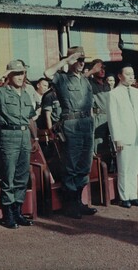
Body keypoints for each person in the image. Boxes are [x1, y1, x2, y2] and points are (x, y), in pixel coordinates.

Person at [0, 60, 38, 229]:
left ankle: (18, 211)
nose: (20, 77)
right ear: (9, 75)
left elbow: (30, 118)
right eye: (16, 73)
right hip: (8, 135)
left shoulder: (27, 93)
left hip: (24, 135)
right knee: (9, 176)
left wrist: (34, 138)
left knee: (22, 176)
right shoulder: (1, 92)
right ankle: (8, 214)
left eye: (22, 73)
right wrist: (3, 74)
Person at [44, 46, 97, 219]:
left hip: (87, 124)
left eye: (83, 60)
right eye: (78, 60)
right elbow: (47, 73)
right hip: (71, 123)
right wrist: (66, 60)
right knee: (71, 165)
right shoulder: (62, 79)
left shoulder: (85, 80)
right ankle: (70, 205)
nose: (81, 63)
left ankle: (79, 202)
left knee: (84, 165)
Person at [107, 65, 138, 208]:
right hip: (123, 136)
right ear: (119, 76)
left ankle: (133, 195)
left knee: (134, 168)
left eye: (133, 74)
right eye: (128, 74)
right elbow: (113, 118)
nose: (132, 76)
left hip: (136, 135)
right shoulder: (114, 94)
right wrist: (117, 138)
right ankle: (124, 197)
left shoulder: (137, 93)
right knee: (124, 167)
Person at [86, 59, 111, 157]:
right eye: (99, 68)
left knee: (109, 143)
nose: (102, 71)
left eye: (103, 68)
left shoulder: (106, 85)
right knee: (99, 144)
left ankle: (109, 168)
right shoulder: (89, 84)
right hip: (98, 116)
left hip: (108, 116)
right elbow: (81, 79)